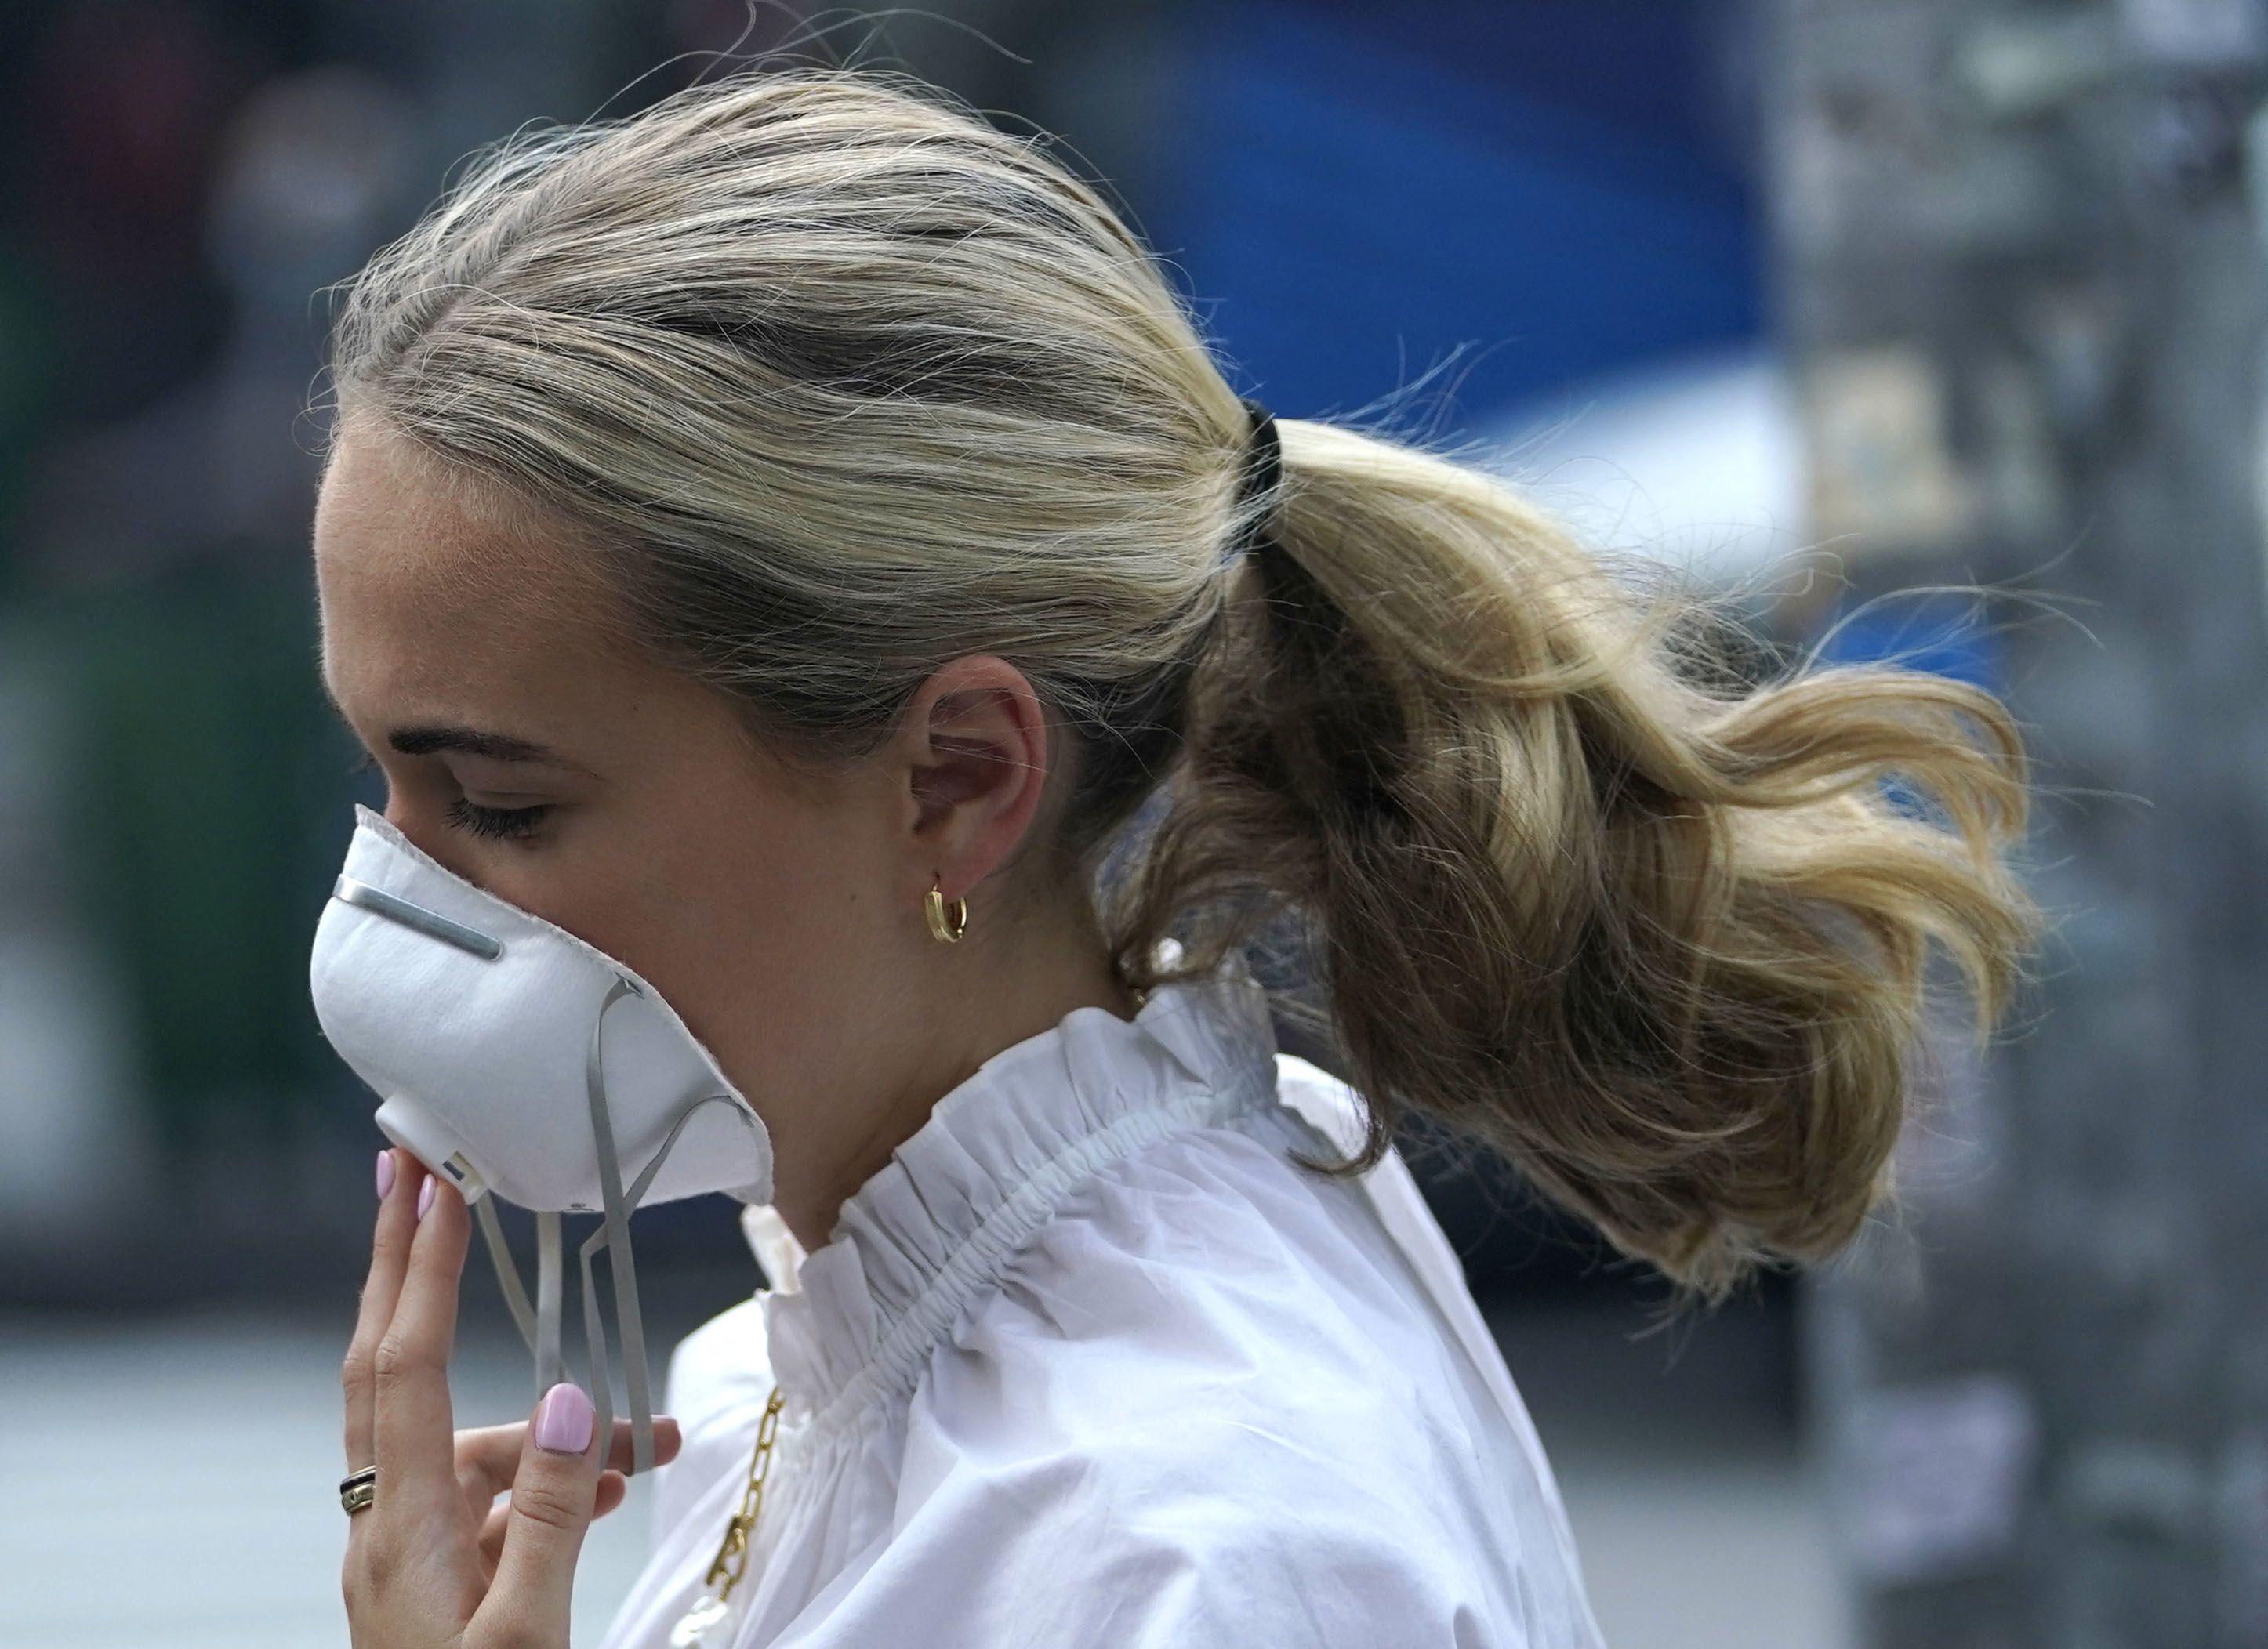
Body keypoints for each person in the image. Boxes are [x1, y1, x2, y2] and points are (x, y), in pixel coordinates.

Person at [313, 64, 2045, 1649]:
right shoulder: (830, 1354)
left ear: (960, 778)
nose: (391, 904)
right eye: (378, 772)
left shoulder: (1196, 1538)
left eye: (501, 804)